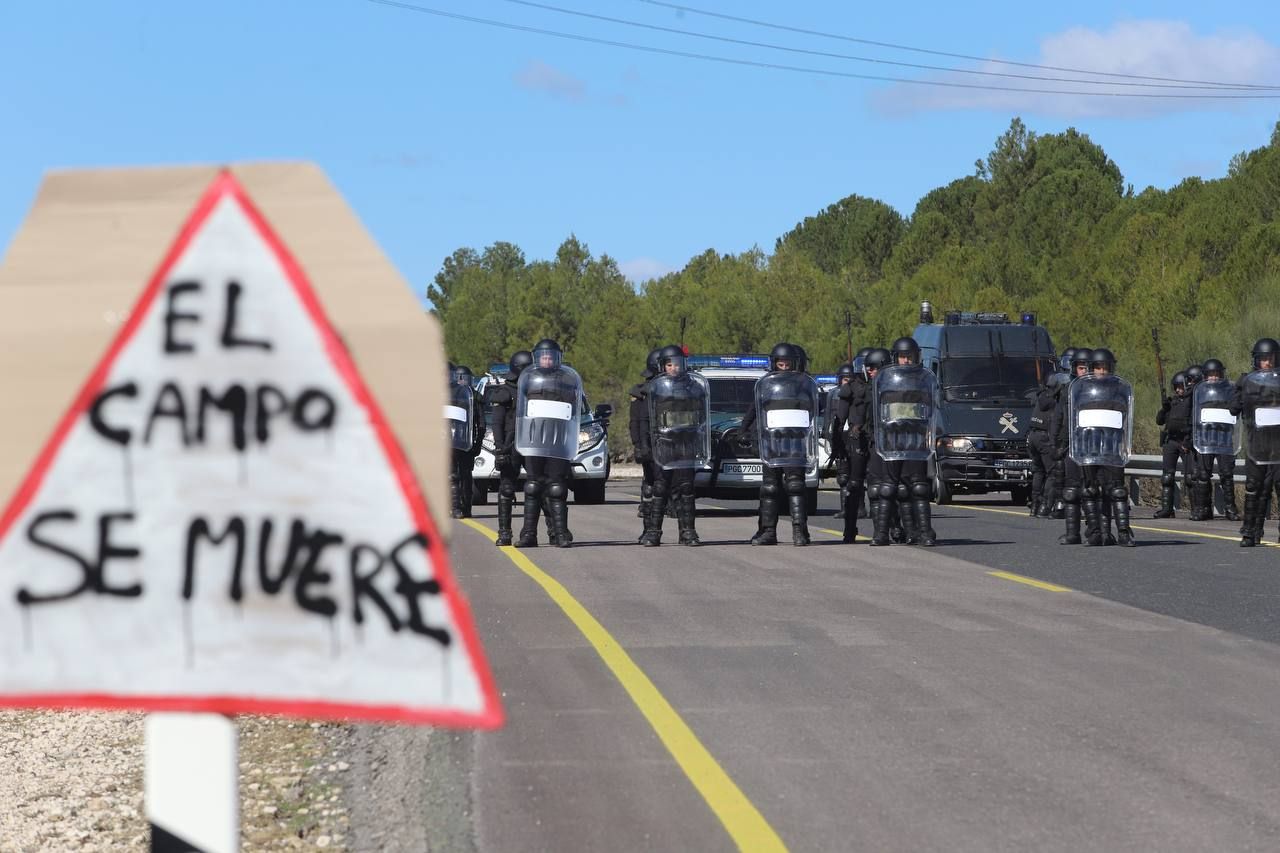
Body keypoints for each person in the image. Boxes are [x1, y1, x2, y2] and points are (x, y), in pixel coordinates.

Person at [740, 342, 819, 546]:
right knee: (770, 488)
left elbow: (815, 410)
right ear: (774, 364)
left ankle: (800, 531)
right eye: (780, 364)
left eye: (787, 364)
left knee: (796, 486)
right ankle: (768, 531)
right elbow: (754, 408)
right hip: (772, 444)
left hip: (795, 443)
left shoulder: (804, 385)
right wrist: (744, 430)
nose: (784, 368)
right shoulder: (766, 385)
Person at [868, 337, 939, 546]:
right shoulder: (884, 380)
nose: (906, 361)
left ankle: (924, 533)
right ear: (895, 358)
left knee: (919, 488)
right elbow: (878, 412)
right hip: (891, 440)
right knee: (888, 488)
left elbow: (931, 410)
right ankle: (881, 534)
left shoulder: (924, 380)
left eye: (909, 357)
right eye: (902, 357)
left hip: (915, 439)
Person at [1064, 348, 1136, 547]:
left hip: (1112, 446)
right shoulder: (1079, 390)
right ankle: (1095, 533)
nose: (1101, 372)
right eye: (1098, 367)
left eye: (1105, 368)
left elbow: (1125, 418)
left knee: (1117, 491)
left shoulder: (1120, 390)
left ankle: (1123, 533)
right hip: (1087, 446)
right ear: (1091, 368)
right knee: (1089, 490)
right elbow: (1072, 419)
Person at [515, 339, 582, 548]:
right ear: (537, 357)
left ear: (557, 357)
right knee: (533, 486)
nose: (547, 359)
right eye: (543, 356)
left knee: (557, 488)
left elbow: (573, 412)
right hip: (533, 440)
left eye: (550, 356)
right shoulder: (527, 379)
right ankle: (528, 535)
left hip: (558, 441)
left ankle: (560, 534)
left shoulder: (568, 380)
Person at [641, 345, 707, 546]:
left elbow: (702, 416)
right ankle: (653, 532)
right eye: (669, 364)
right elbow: (646, 420)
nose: (674, 368)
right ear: (663, 366)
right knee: (660, 488)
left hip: (686, 443)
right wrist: (644, 445)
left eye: (677, 364)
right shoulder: (654, 388)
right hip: (663, 444)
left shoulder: (694, 387)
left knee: (687, 488)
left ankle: (688, 532)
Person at [1233, 338, 1280, 547]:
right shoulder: (1246, 381)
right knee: (1254, 487)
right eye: (1262, 359)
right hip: (1256, 443)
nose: (1266, 363)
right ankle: (1250, 532)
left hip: (1278, 443)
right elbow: (1233, 407)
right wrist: (1243, 399)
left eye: (1269, 359)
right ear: (1256, 361)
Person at [488, 350, 532, 545]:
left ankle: (551, 530)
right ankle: (504, 532)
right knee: (506, 488)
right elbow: (497, 423)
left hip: (533, 443)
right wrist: (499, 449)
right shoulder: (504, 392)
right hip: (510, 444)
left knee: (540, 486)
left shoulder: (535, 390)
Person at [1194, 358, 1240, 522]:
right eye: (1210, 375)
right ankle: (1201, 509)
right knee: (1202, 475)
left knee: (1227, 475)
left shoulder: (1230, 389)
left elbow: (1236, 408)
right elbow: (1192, 415)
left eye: (1216, 374)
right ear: (1205, 376)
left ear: (1221, 374)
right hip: (1205, 438)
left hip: (1224, 437)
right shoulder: (1198, 391)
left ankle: (1230, 509)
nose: (1213, 378)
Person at [447, 365, 485, 519]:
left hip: (464, 442)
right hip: (445, 441)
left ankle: (466, 507)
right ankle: (454, 507)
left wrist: (477, 443)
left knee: (465, 474)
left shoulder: (471, 396)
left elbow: (480, 422)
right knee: (452, 475)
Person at [630, 348, 662, 530]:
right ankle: (649, 526)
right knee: (651, 482)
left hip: (670, 444)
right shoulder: (641, 392)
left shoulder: (677, 389)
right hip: (649, 442)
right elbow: (635, 422)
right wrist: (638, 445)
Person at [1153, 372, 1192, 519]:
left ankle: (1196, 509)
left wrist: (1188, 441)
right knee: (1167, 477)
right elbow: (1159, 421)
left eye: (1180, 387)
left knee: (1190, 477)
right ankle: (1167, 509)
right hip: (1171, 441)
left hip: (1185, 441)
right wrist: (1164, 408)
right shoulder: (1172, 403)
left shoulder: (1191, 402)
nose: (1178, 390)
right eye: (1176, 387)